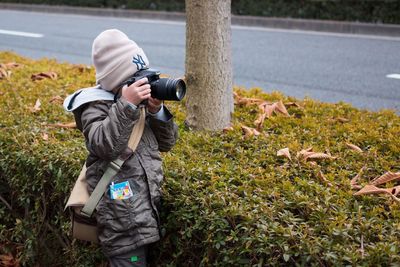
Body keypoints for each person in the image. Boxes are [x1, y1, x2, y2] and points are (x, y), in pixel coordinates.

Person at [69, 29, 178, 266]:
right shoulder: (95, 106)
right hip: (122, 226)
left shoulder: (137, 106)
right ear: (118, 80)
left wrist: (155, 110)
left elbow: (168, 143)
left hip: (146, 215)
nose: (144, 84)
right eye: (136, 78)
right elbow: (104, 146)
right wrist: (127, 104)